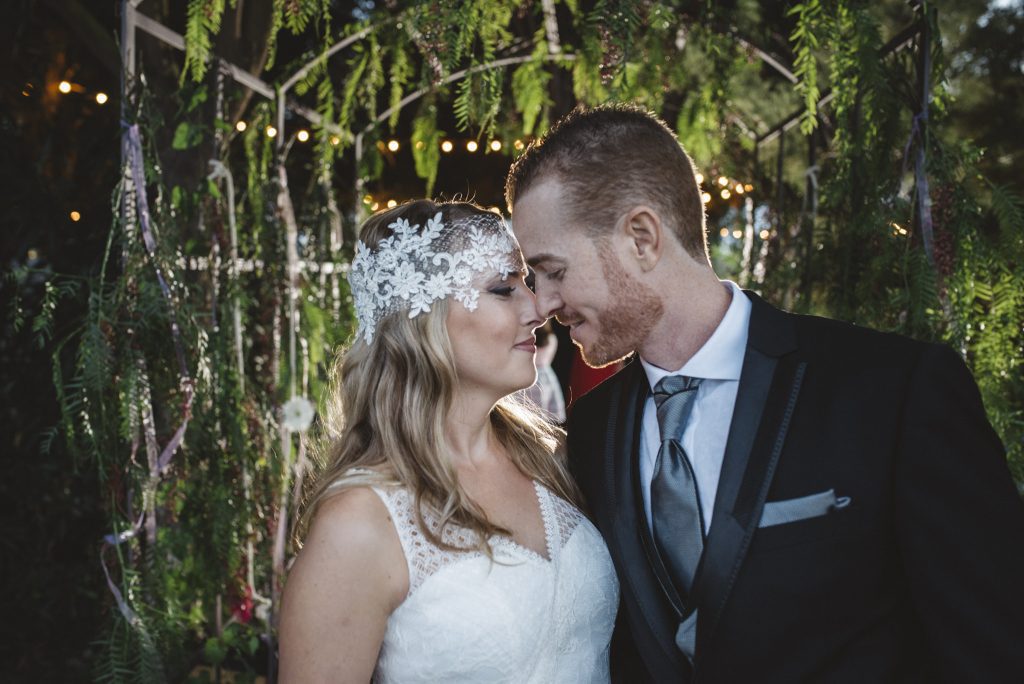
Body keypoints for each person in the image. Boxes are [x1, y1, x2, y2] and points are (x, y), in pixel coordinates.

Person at [505, 104, 1024, 682]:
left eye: (552, 270)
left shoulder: (892, 391)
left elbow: (994, 647)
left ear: (643, 237)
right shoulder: (596, 425)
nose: (542, 304)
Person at [277, 200, 618, 682]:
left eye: (528, 283)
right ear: (424, 321)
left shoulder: (554, 460)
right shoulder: (361, 522)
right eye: (504, 288)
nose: (538, 307)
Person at [525, 320, 567, 422]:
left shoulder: (529, 339)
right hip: (546, 377)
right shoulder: (551, 338)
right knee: (542, 411)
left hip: (533, 375)